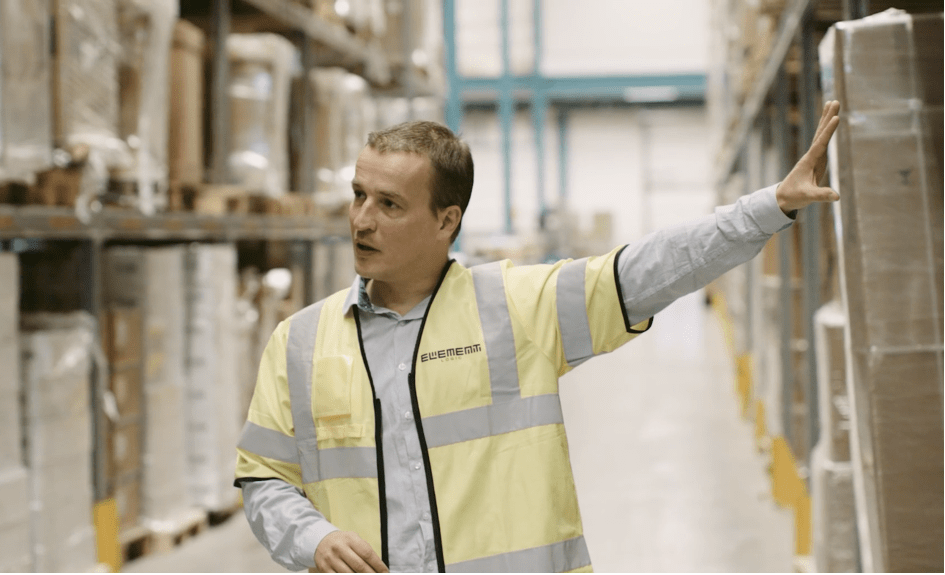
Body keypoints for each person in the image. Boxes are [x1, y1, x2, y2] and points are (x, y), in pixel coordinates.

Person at [235, 102, 842, 573]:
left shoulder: (519, 309)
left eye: (389, 204)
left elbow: (650, 268)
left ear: (447, 221)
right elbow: (264, 476)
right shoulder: (301, 341)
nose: (362, 220)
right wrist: (313, 538)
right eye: (359, 195)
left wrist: (770, 206)